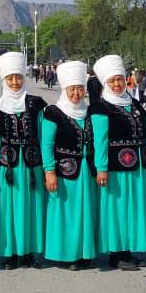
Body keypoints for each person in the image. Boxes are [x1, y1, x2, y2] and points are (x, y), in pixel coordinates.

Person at [90, 54, 146, 271]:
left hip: (138, 167)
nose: (117, 84)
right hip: (115, 169)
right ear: (105, 83)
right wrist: (101, 168)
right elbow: (100, 140)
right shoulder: (100, 107)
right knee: (117, 210)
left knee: (134, 209)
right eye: (112, 81)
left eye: (119, 79)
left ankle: (128, 250)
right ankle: (116, 254)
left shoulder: (134, 104)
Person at [0, 51, 46, 269]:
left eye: (18, 77)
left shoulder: (36, 104)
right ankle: (10, 253)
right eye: (10, 78)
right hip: (7, 169)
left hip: (32, 168)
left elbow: (43, 135)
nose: (15, 82)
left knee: (32, 209)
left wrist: (48, 167)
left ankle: (29, 253)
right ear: (3, 80)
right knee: (7, 210)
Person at [41, 61, 98, 269]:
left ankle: (84, 253)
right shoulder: (53, 112)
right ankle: (67, 255)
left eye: (80, 88)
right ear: (64, 89)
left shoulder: (90, 112)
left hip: (86, 172)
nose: (76, 93)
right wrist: (49, 172)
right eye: (72, 89)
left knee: (85, 212)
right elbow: (47, 145)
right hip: (63, 173)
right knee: (66, 214)